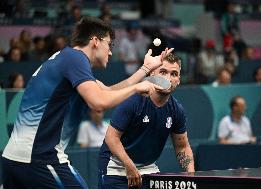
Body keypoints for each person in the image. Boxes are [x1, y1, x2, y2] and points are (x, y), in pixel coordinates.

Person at [1, 17, 173, 189]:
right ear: (95, 41)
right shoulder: (75, 58)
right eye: (110, 45)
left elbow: (107, 91)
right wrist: (137, 88)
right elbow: (98, 103)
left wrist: (145, 70)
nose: (111, 52)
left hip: (13, 158)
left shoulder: (66, 58)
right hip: (40, 158)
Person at [98, 53, 195, 189]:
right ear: (152, 74)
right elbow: (111, 138)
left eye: (173, 74)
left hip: (148, 169)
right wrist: (129, 166)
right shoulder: (133, 100)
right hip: (116, 167)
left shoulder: (177, 110)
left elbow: (182, 146)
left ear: (178, 80)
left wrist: (191, 178)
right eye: (163, 72)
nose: (168, 78)